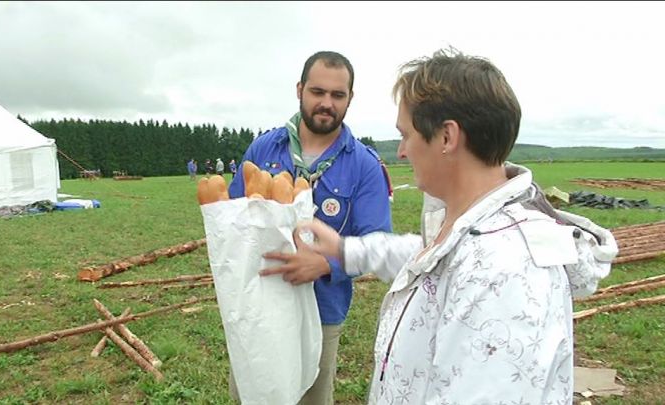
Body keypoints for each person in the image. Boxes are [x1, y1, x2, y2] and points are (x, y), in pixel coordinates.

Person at [268, 48, 619, 403]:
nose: (402, 151)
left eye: (406, 135)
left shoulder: (506, 271)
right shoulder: (476, 226)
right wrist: (345, 249)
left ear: (447, 138)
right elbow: (431, 258)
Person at [228, 50, 393, 404]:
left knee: (311, 398)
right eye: (318, 92)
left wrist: (326, 264)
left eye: (338, 95)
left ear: (350, 99)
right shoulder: (263, 148)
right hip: (260, 302)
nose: (326, 103)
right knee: (251, 393)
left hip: (322, 310)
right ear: (300, 89)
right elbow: (234, 214)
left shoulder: (364, 165)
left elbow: (377, 243)